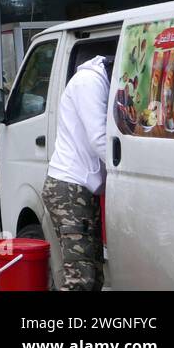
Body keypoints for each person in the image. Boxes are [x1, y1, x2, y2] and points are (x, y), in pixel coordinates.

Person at [42, 54, 112, 291]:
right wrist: (126, 171)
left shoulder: (99, 82)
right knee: (80, 279)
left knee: (93, 276)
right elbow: (99, 138)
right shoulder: (89, 83)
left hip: (82, 188)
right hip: (69, 189)